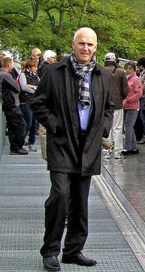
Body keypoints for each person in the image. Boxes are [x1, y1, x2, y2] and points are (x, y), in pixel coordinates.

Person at [31, 27, 114, 271]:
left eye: (90, 44)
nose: (85, 48)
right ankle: (50, 251)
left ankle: (73, 251)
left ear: (95, 47)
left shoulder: (104, 75)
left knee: (80, 201)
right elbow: (38, 103)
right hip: (62, 145)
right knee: (60, 197)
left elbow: (109, 106)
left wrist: (103, 129)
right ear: (73, 44)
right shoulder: (55, 72)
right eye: (81, 44)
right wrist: (55, 125)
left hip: (88, 147)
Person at [0, 57, 28, 155]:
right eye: (12, 64)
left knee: (12, 127)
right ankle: (17, 146)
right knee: (20, 125)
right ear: (9, 65)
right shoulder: (5, 75)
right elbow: (17, 88)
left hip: (7, 104)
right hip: (11, 104)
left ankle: (14, 147)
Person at [103, 52, 129, 159]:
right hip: (117, 104)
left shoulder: (100, 71)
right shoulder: (120, 72)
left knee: (106, 128)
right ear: (115, 61)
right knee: (117, 128)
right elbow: (125, 90)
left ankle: (107, 149)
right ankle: (118, 151)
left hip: (104, 105)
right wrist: (121, 97)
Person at [121, 61, 142, 157]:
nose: (128, 70)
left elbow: (138, 93)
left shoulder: (136, 79)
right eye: (127, 68)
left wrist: (129, 100)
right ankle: (134, 147)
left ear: (134, 69)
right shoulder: (126, 79)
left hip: (133, 106)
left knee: (128, 127)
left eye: (130, 68)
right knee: (129, 127)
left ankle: (127, 147)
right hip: (125, 105)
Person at [19, 59, 40, 152]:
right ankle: (22, 142)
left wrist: (32, 87)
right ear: (29, 68)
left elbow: (39, 85)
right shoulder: (23, 75)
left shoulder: (36, 76)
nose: (36, 68)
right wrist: (34, 89)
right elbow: (24, 87)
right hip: (26, 101)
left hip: (34, 101)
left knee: (34, 124)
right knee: (28, 122)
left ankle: (31, 143)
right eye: (34, 67)